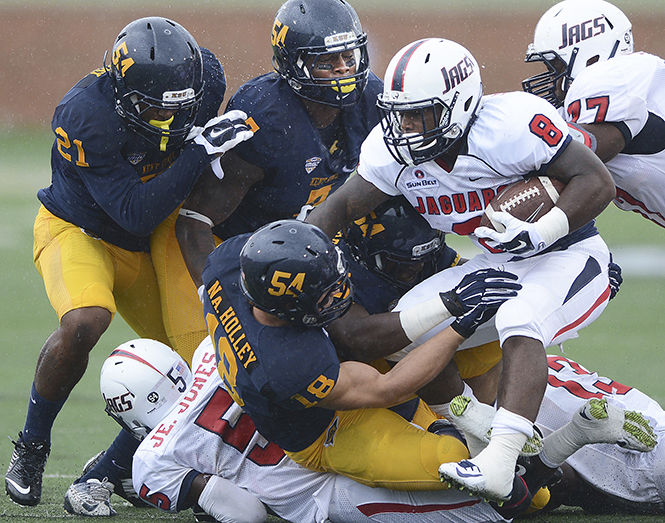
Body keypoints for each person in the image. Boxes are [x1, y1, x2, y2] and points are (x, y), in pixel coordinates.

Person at [306, 37, 616, 502]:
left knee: (520, 317)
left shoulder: (510, 124)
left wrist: (544, 229)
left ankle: (501, 460)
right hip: (500, 260)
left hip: (571, 253)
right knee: (408, 328)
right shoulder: (391, 152)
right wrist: (299, 247)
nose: (404, 127)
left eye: (419, 114)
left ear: (461, 102)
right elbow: (342, 205)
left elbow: (598, 180)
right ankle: (475, 428)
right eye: (399, 113)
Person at [5, 17, 253, 506]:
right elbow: (133, 213)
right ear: (120, 93)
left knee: (196, 355)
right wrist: (198, 150)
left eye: (180, 109)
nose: (170, 122)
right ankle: (32, 446)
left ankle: (113, 468)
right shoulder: (84, 116)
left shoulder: (205, 79)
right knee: (85, 321)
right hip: (82, 230)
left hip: (158, 233)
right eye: (155, 109)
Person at [201, 219, 522, 494]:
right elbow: (388, 388)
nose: (341, 293)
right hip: (329, 425)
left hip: (344, 372)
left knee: (487, 343)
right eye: (325, 294)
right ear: (289, 310)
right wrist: (460, 326)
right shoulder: (290, 365)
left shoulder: (233, 259)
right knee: (454, 458)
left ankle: (464, 414)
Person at [67, 337, 510, 522]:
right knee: (491, 479)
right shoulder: (209, 349)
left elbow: (246, 513)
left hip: (322, 490)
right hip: (351, 422)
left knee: (489, 510)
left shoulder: (151, 461)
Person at [175, 0, 384, 290]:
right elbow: (195, 218)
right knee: (201, 336)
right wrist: (213, 291)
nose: (344, 70)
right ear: (292, 64)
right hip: (236, 247)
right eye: (327, 62)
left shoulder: (371, 99)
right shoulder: (268, 118)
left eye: (349, 57)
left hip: (306, 241)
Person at [450, 354, 662, 516]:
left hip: (639, 464)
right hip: (654, 425)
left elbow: (556, 484)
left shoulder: (502, 410)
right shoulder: (536, 355)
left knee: (507, 491)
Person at [523, 0, 665, 229]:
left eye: (556, 67)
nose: (553, 81)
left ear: (591, 56)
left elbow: (586, 146)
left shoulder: (616, 76)